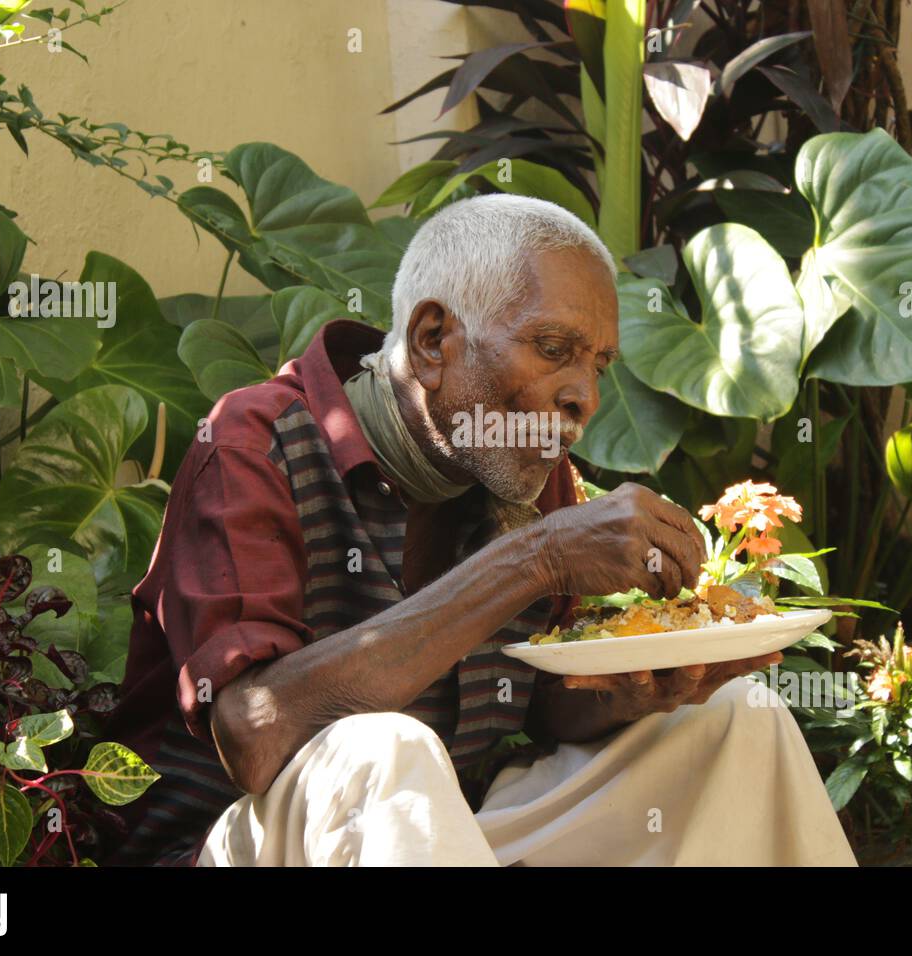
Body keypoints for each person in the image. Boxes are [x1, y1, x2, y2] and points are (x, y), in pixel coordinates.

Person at [103, 194, 857, 867]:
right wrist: (537, 559)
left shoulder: (526, 466)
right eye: (555, 351)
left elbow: (538, 705)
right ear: (433, 339)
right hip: (233, 845)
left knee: (733, 722)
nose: (583, 397)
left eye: (598, 366)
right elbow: (254, 732)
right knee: (381, 750)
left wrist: (640, 690)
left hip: (439, 838)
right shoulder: (254, 442)